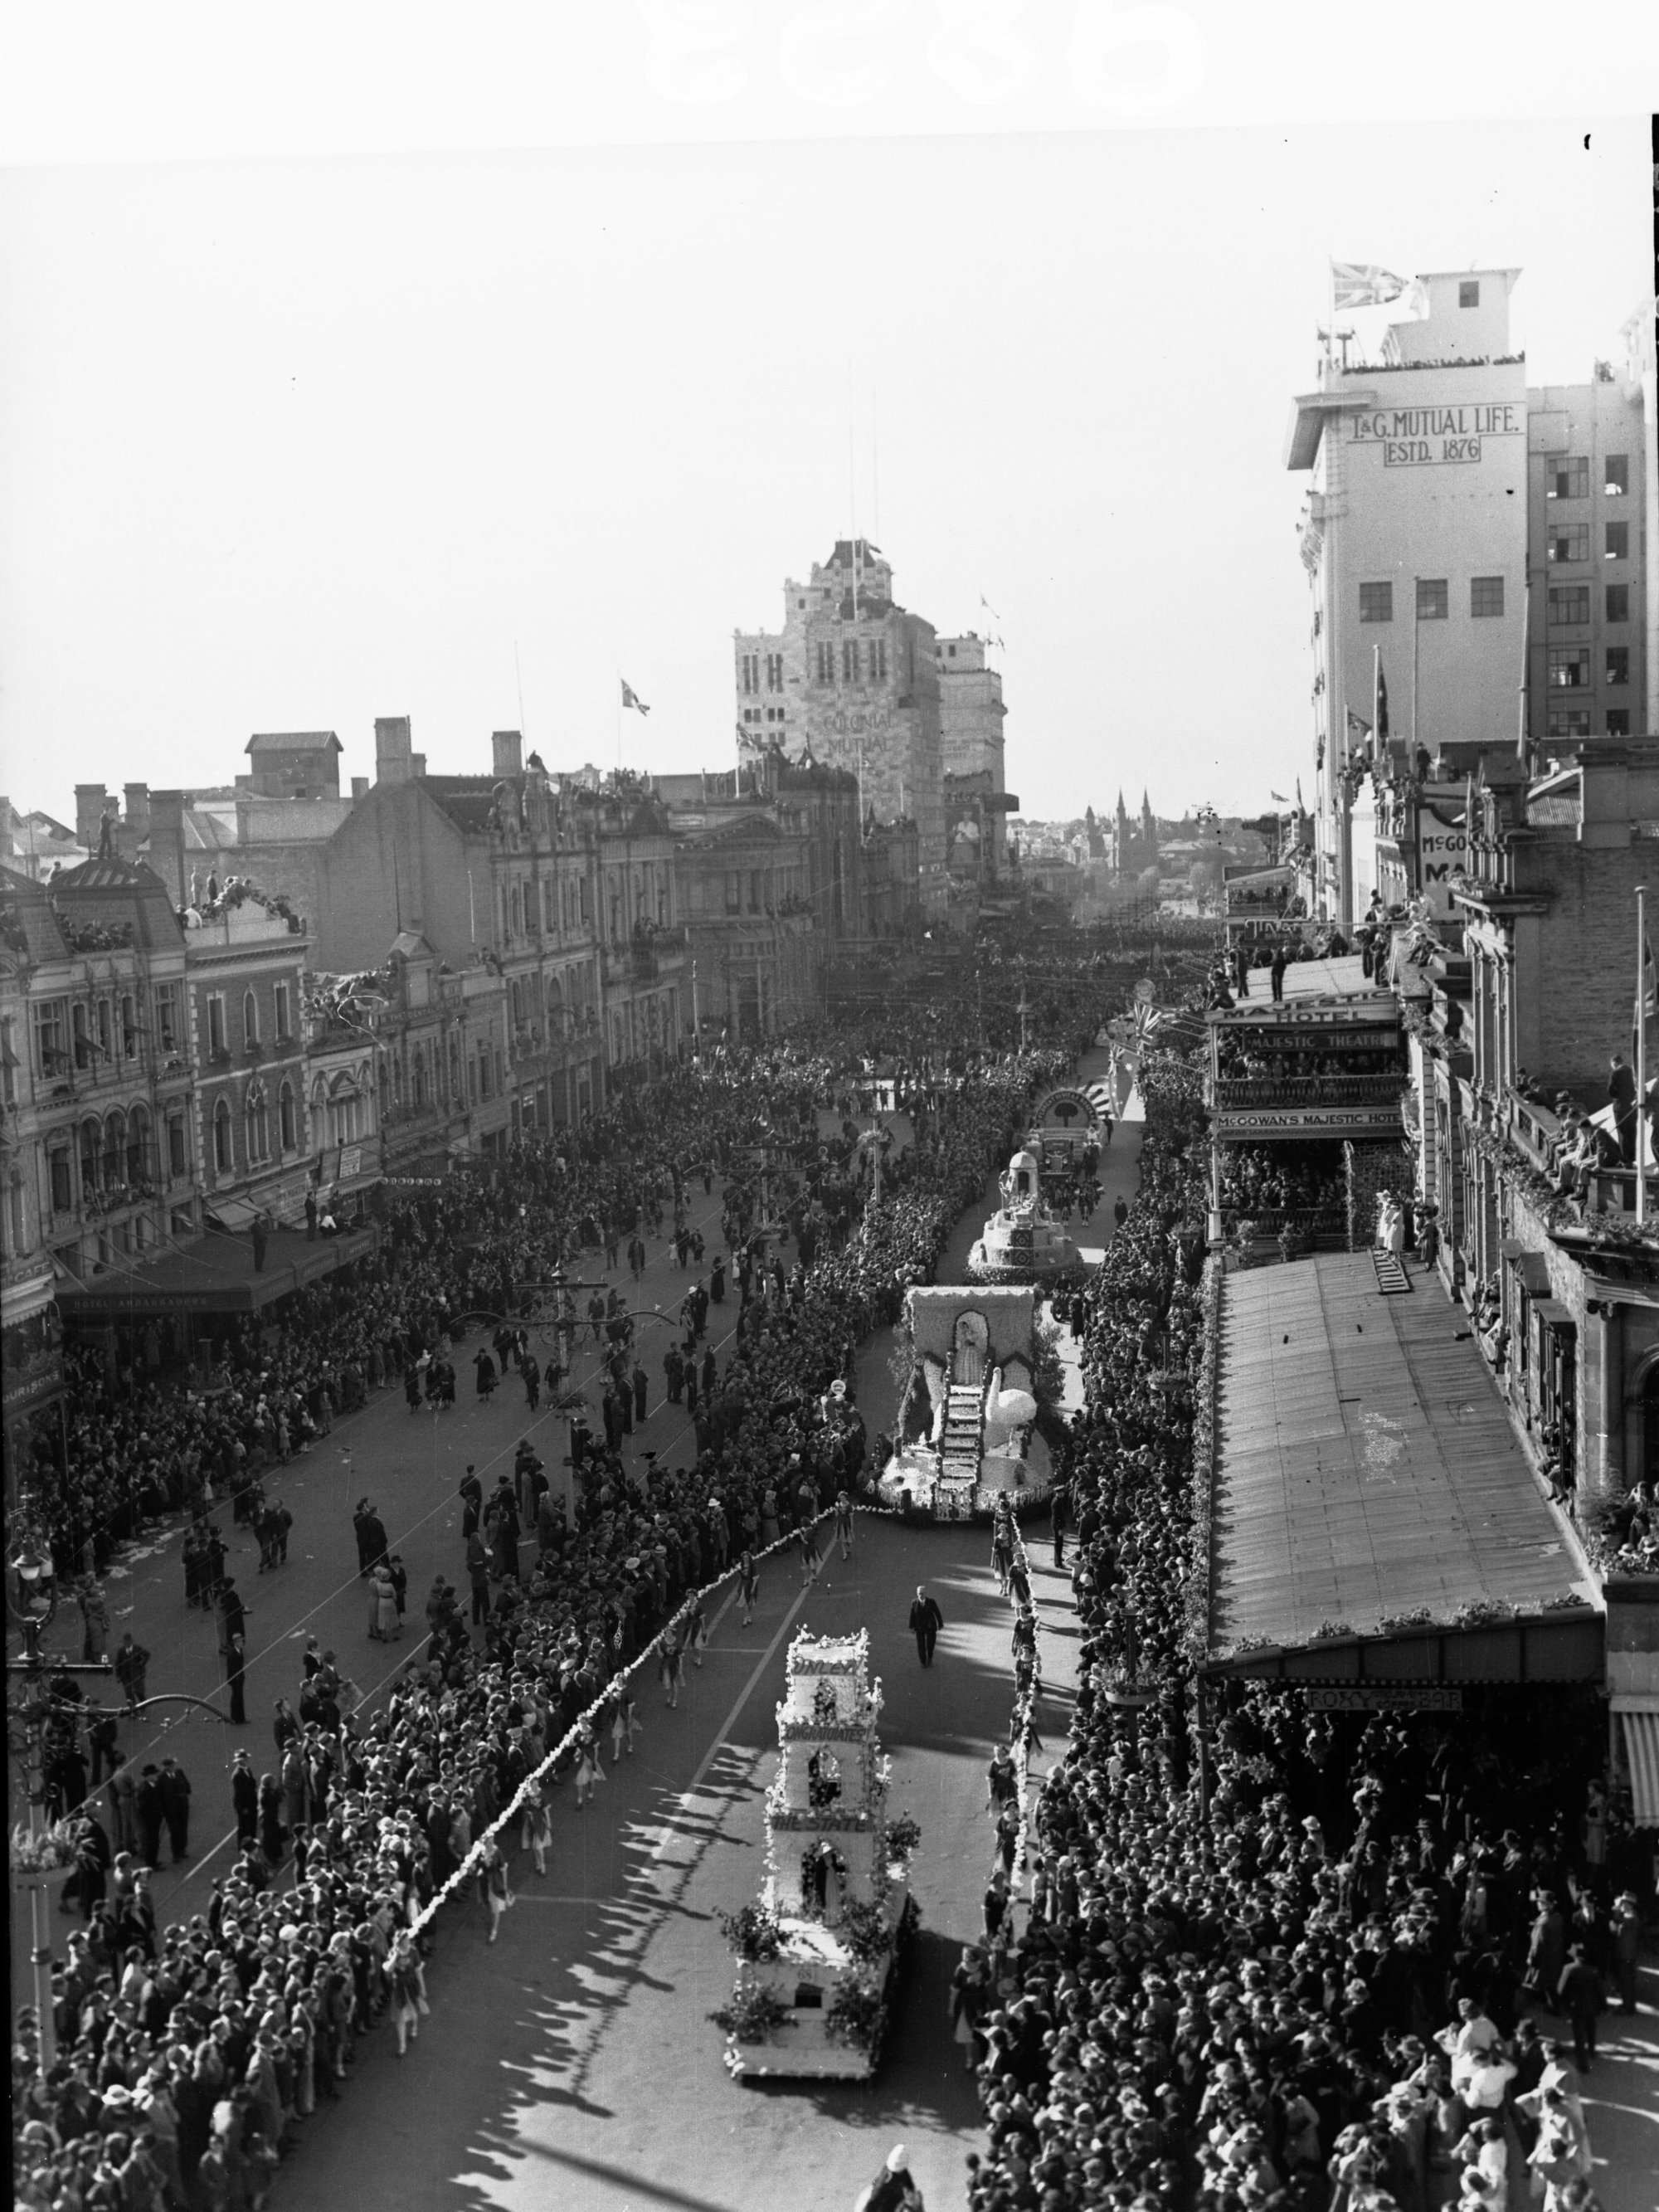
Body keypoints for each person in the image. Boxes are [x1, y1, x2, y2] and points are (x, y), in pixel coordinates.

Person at [855, 2143, 923, 2212]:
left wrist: (914, 2202)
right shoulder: (885, 2179)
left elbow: (912, 2194)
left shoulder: (904, 2175)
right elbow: (871, 2204)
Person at [113, 1631, 151, 1713]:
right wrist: (118, 1676)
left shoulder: (137, 1648)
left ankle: (143, 1703)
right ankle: (133, 1711)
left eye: (128, 1642)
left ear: (131, 1641)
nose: (126, 1644)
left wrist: (142, 1662)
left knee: (139, 1691)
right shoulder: (121, 1651)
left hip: (137, 1674)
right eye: (125, 1642)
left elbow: (147, 1654)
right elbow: (118, 1664)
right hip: (125, 1676)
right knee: (128, 1694)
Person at [909, 1585, 944, 1669]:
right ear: (917, 1594)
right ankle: (923, 1662)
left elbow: (937, 1613)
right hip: (919, 1627)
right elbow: (912, 1615)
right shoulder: (914, 1603)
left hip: (930, 1627)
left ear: (925, 1594)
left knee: (930, 1644)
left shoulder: (931, 1602)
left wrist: (940, 1624)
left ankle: (930, 1657)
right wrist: (912, 1627)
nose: (920, 1595)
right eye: (919, 1593)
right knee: (921, 1646)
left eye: (922, 1593)